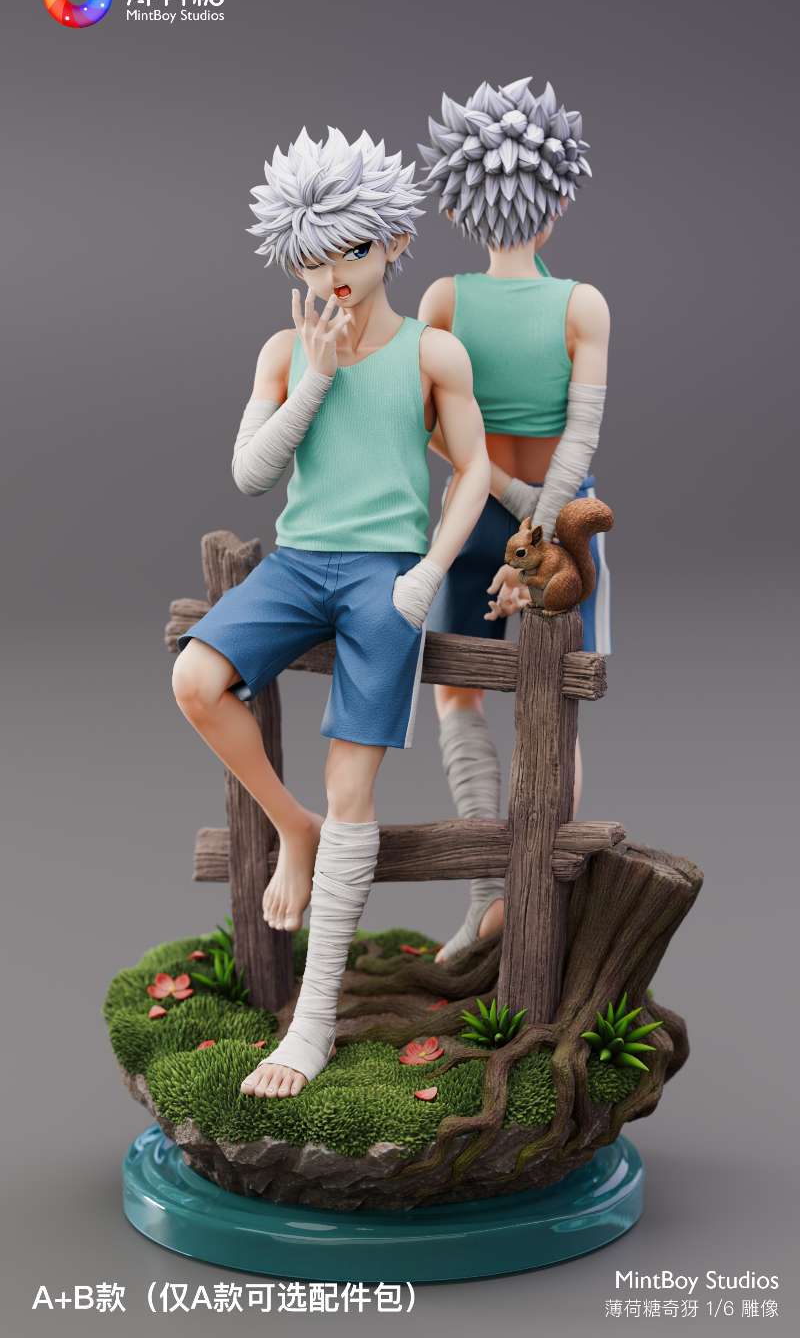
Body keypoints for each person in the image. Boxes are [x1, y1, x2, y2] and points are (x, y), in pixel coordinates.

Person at [171, 127, 490, 1096]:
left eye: (350, 250)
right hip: (300, 562)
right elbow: (250, 472)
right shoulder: (284, 348)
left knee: (353, 785)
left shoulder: (433, 350)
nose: (333, 274)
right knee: (196, 678)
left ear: (395, 242)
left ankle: (309, 1025)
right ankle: (290, 826)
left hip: (384, 573)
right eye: (311, 260)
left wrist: (429, 569)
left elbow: (474, 469)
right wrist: (314, 373)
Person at [416, 77, 611, 964]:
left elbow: (430, 428)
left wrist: (508, 503)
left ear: (460, 203)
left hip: (492, 519)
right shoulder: (582, 303)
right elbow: (582, 429)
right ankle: (513, 897)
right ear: (558, 201)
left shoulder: (443, 300)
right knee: (547, 700)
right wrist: (538, 513)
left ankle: (507, 897)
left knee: (476, 693)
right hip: (554, 524)